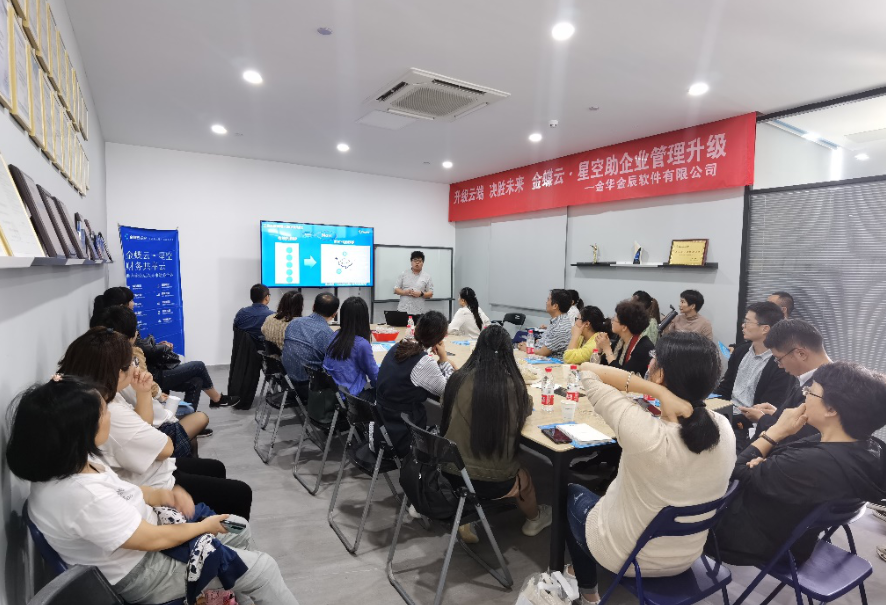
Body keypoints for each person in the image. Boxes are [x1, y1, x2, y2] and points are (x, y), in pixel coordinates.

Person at [6, 376, 299, 605]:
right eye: (103, 412)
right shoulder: (81, 495)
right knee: (264, 569)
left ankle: (242, 586)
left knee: (239, 527)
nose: (109, 415)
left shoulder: (76, 463)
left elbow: (125, 491)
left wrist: (164, 495)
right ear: (80, 431)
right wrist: (204, 527)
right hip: (142, 573)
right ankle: (250, 581)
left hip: (149, 541)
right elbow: (152, 540)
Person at [563, 333, 736, 604]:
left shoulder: (645, 433)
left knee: (571, 493)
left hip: (628, 558)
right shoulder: (723, 428)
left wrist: (658, 392)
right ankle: (578, 571)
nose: (650, 360)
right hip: (687, 556)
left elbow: (588, 371)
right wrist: (663, 391)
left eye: (654, 358)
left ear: (660, 374)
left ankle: (589, 593)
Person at [58, 328, 254, 519]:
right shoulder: (108, 410)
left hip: (153, 467)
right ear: (116, 372)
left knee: (216, 467)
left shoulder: (96, 393)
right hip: (153, 481)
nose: (135, 367)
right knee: (240, 492)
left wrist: (143, 392)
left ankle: (219, 525)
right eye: (130, 363)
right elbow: (165, 448)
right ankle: (222, 529)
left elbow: (144, 426)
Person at [706, 362, 886, 568]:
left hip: (749, 541)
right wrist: (770, 464)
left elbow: (737, 470)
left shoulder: (812, 463)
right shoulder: (867, 449)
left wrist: (776, 431)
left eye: (810, 392)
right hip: (794, 537)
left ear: (831, 409)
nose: (805, 397)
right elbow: (777, 463)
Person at [441, 325, 552, 543]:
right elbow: (526, 409)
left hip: (449, 472)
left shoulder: (457, 379)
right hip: (494, 482)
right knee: (525, 478)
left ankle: (467, 511)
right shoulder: (513, 387)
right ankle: (535, 518)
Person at [98, 286, 238, 409]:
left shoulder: (112, 325)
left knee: (196, 381)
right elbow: (143, 352)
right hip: (153, 375)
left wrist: (159, 346)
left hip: (153, 371)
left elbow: (142, 346)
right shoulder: (122, 331)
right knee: (199, 366)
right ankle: (217, 399)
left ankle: (189, 418)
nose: (133, 303)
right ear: (122, 304)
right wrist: (163, 348)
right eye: (131, 300)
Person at [100, 306, 212, 445]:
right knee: (198, 371)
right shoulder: (130, 359)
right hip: (155, 416)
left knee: (195, 381)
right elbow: (149, 429)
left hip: (151, 408)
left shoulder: (107, 359)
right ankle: (216, 399)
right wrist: (158, 395)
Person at [714, 302, 796, 449]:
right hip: (725, 415)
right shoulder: (741, 352)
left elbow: (765, 409)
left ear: (765, 329)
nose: (743, 326)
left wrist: (727, 420)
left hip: (748, 426)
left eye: (747, 322)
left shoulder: (780, 364)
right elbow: (725, 388)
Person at [375, 311, 456, 457]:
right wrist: (444, 359)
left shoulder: (400, 346)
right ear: (440, 338)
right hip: (403, 434)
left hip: (383, 425)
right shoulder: (423, 362)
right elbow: (449, 391)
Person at [748, 319, 832, 445]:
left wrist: (762, 419)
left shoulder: (820, 390)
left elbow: (794, 439)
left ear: (801, 354)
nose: (779, 366)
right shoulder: (819, 377)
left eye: (779, 359)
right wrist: (778, 413)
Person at [282, 292, 340, 404]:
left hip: (286, 383)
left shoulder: (294, 323)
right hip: (309, 389)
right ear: (334, 314)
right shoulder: (328, 334)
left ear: (313, 306)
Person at [323, 296, 378, 400]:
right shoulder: (361, 344)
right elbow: (374, 376)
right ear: (364, 318)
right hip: (351, 397)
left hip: (333, 393)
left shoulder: (335, 335)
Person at [594, 300, 655, 376]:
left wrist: (607, 349)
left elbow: (623, 376)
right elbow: (601, 367)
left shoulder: (644, 348)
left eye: (614, 319)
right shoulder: (620, 342)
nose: (611, 321)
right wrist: (599, 349)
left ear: (624, 327)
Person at [518, 289, 573, 358]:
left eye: (548, 299)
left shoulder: (560, 327)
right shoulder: (557, 321)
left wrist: (527, 349)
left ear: (555, 306)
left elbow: (542, 353)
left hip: (548, 361)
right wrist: (529, 345)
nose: (546, 302)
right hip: (538, 354)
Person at [394, 250, 434, 316]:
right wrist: (405, 292)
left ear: (423, 263)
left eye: (419, 261)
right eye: (415, 260)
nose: (417, 263)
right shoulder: (403, 274)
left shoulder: (427, 276)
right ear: (411, 262)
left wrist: (421, 294)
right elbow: (396, 289)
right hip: (403, 310)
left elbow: (430, 293)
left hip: (418, 312)